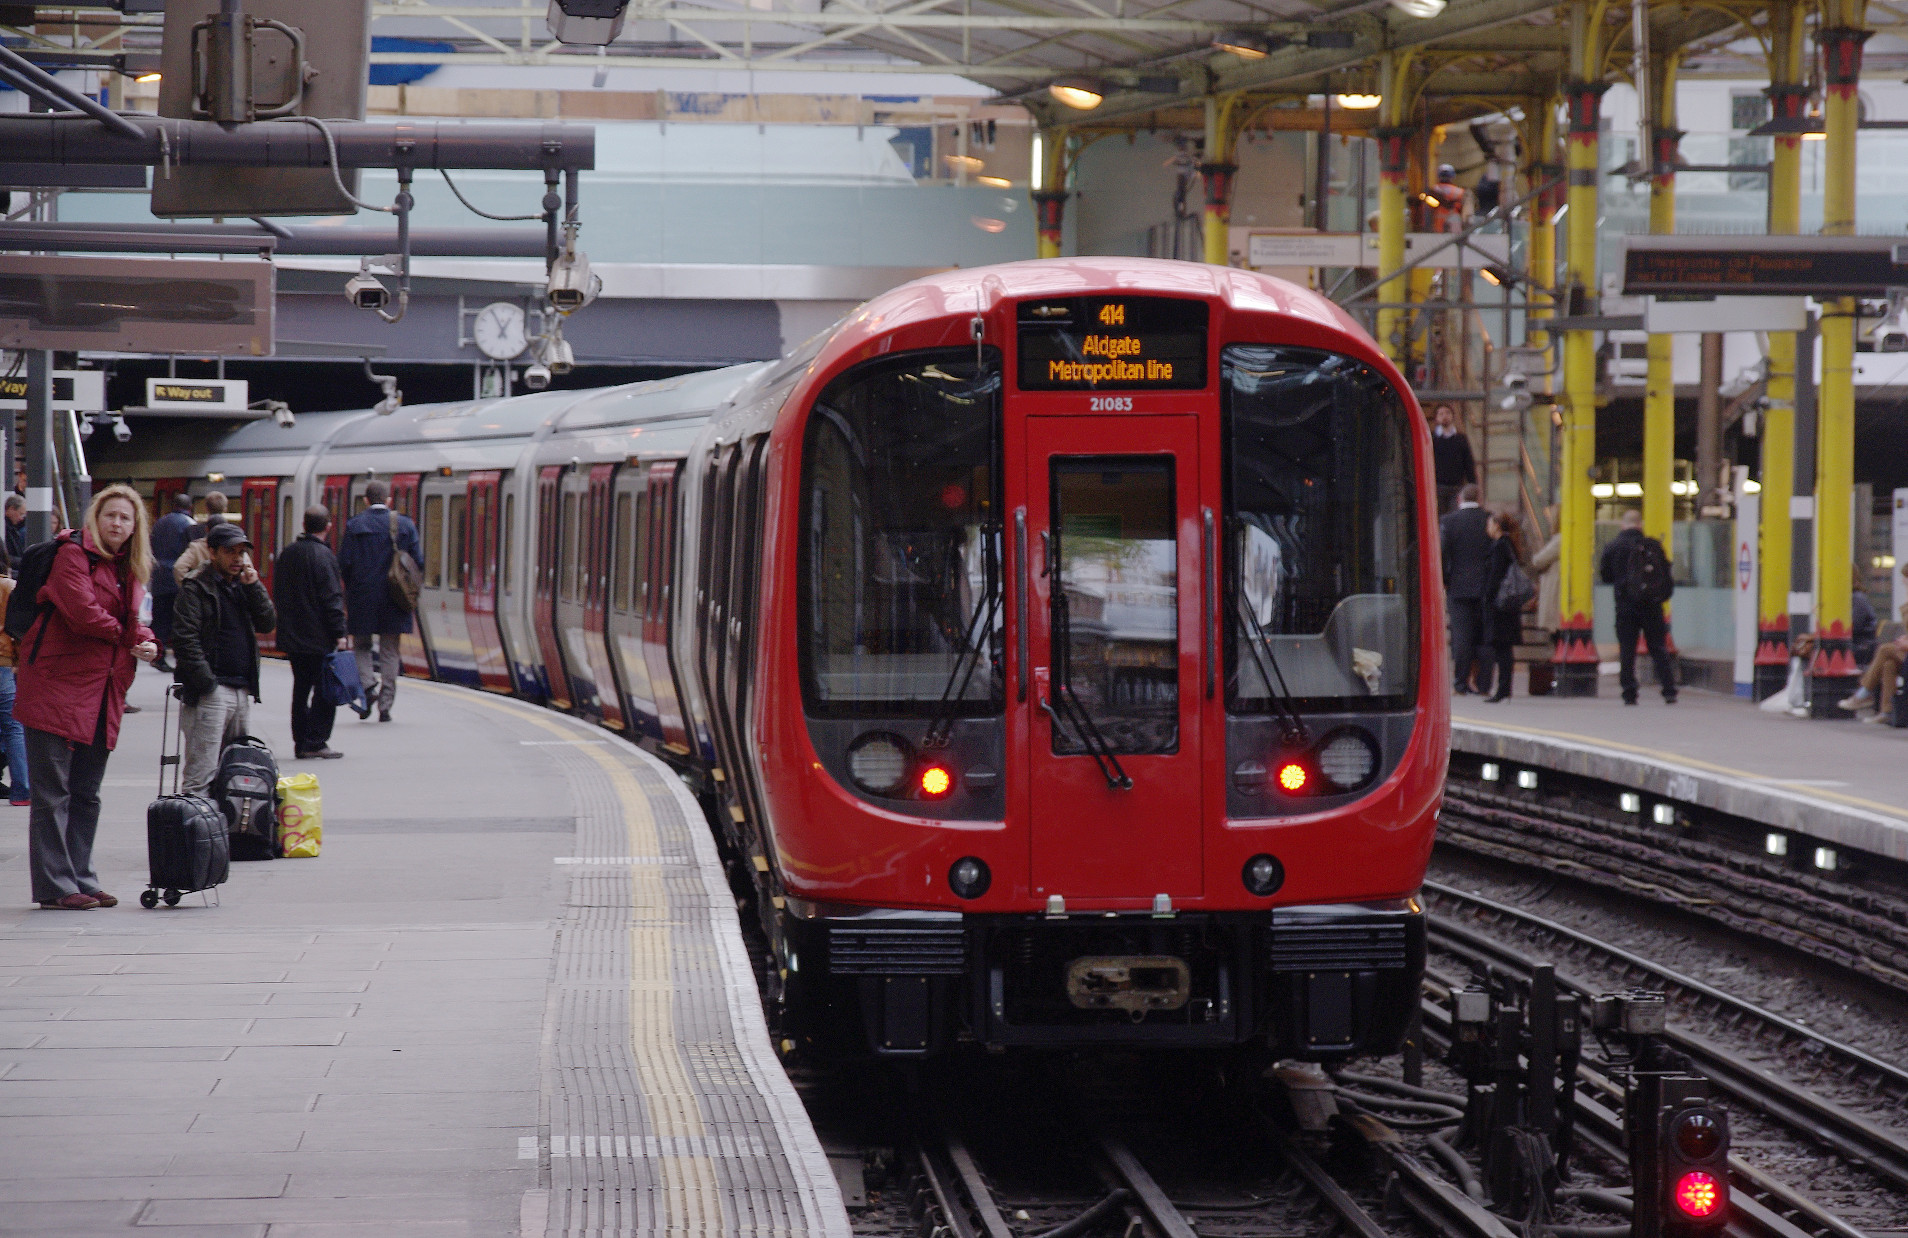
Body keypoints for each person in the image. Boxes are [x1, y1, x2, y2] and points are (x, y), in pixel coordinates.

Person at [16, 484, 159, 910]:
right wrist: (132, 639)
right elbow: (83, 614)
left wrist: (147, 640)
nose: (117, 523)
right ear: (96, 518)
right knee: (52, 792)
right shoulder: (70, 555)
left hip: (102, 690)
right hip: (54, 685)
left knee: (86, 791)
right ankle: (56, 887)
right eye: (110, 515)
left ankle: (81, 876)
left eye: (125, 518)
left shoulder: (130, 567)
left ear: (136, 527)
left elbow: (135, 618)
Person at [170, 522, 275, 797]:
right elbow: (185, 640)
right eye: (230, 552)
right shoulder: (196, 588)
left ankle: (223, 835)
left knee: (235, 773)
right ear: (212, 552)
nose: (238, 559)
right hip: (212, 692)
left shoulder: (242, 585)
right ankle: (194, 835)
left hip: (241, 690)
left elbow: (267, 622)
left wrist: (254, 586)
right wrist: (208, 685)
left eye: (242, 552)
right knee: (201, 776)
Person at [339, 480, 423, 724]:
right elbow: (417, 562)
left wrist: (353, 589)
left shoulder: (355, 526)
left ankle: (368, 687)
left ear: (365, 500)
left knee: (362, 647)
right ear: (388, 500)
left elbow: (344, 563)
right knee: (390, 651)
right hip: (395, 597)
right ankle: (386, 706)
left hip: (362, 596)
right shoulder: (405, 525)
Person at [273, 506, 349, 759]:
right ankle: (316, 741)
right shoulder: (324, 556)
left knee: (301, 689)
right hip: (318, 637)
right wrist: (340, 631)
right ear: (328, 526)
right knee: (325, 690)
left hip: (293, 637)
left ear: (304, 525)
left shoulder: (287, 554)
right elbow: (331, 598)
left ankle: (300, 741)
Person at [1599, 509, 1677, 706]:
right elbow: (1666, 574)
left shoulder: (1614, 546)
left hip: (1625, 605)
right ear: (1640, 525)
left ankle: (1629, 692)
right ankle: (1669, 690)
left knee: (1627, 649)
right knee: (1658, 647)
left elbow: (1605, 575)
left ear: (1622, 525)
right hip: (1652, 604)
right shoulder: (1653, 546)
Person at [1440, 484, 1495, 696]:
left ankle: (1461, 683)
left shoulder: (1449, 522)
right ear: (1479, 498)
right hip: (1486, 588)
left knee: (1462, 637)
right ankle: (1483, 685)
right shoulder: (1489, 519)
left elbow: (1443, 553)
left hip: (1459, 587)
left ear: (1459, 499)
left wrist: (1446, 579)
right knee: (1484, 638)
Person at [1839, 562, 1908, 723]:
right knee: (1889, 664)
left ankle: (1864, 693)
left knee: (1885, 650)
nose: (1904, 582)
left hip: (1862, 647)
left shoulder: (1858, 599)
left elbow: (1853, 626)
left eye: (1906, 578)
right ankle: (1887, 711)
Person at [1480, 509, 1529, 702]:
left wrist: (1487, 598)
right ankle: (1503, 688)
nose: (1487, 528)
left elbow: (1495, 575)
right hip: (1507, 605)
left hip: (1500, 604)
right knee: (1504, 649)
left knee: (1502, 649)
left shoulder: (1500, 546)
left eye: (1490, 524)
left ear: (1497, 526)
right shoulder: (1508, 544)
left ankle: (1503, 689)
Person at [148, 492, 196, 674]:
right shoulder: (189, 524)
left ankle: (157, 655)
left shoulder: (160, 522)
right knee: (178, 620)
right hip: (176, 578)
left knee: (160, 619)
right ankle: (174, 658)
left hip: (159, 575)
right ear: (189, 507)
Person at [0, 571, 27, 808]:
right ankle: (22, 788)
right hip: (3, 664)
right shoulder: (8, 587)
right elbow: (16, 628)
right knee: (13, 727)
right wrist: (20, 661)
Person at [170, 489, 232, 586]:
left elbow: (179, 567)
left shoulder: (191, 530)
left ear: (206, 508)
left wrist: (188, 588)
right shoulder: (233, 535)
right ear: (225, 509)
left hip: (201, 586)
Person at [1430, 405, 1477, 515]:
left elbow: (1468, 463)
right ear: (1436, 418)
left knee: (1456, 515)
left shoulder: (1461, 439)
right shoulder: (1432, 439)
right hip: (1438, 486)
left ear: (1452, 416)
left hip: (1457, 486)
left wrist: (1473, 484)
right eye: (1441, 414)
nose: (1445, 416)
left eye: (1447, 413)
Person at [4, 493, 25, 564]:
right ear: (11, 509)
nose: (21, 518)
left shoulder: (13, 529)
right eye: (21, 514)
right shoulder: (5, 529)